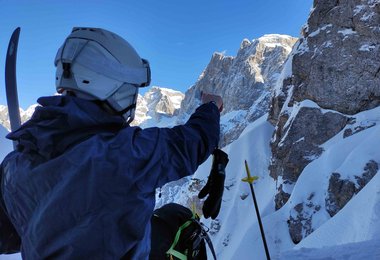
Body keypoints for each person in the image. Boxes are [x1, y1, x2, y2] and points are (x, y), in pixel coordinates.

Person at [0, 27, 223, 259]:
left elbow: (7, 238)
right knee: (181, 225)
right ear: (108, 84)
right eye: (130, 90)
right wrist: (211, 106)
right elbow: (191, 142)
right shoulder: (126, 154)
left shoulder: (15, 162)